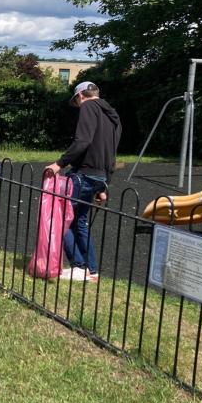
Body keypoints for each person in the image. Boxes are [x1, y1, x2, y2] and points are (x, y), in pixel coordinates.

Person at [47, 81, 121, 282]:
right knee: (79, 221)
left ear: (80, 96)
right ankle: (92, 270)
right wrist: (104, 185)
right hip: (100, 176)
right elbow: (112, 153)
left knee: (61, 218)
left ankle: (79, 266)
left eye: (77, 102)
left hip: (84, 173)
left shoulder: (88, 107)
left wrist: (59, 164)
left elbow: (83, 140)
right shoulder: (113, 116)